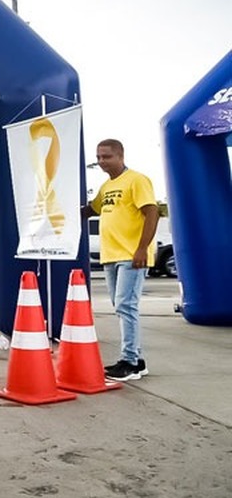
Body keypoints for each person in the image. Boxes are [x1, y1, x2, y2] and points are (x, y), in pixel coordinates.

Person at [82, 138, 158, 381]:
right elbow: (91, 210)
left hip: (131, 255)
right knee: (121, 306)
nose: (102, 161)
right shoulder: (106, 187)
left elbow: (152, 212)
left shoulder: (137, 180)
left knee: (126, 305)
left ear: (120, 156)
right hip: (111, 255)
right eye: (99, 157)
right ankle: (137, 359)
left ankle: (129, 362)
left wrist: (141, 249)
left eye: (107, 156)